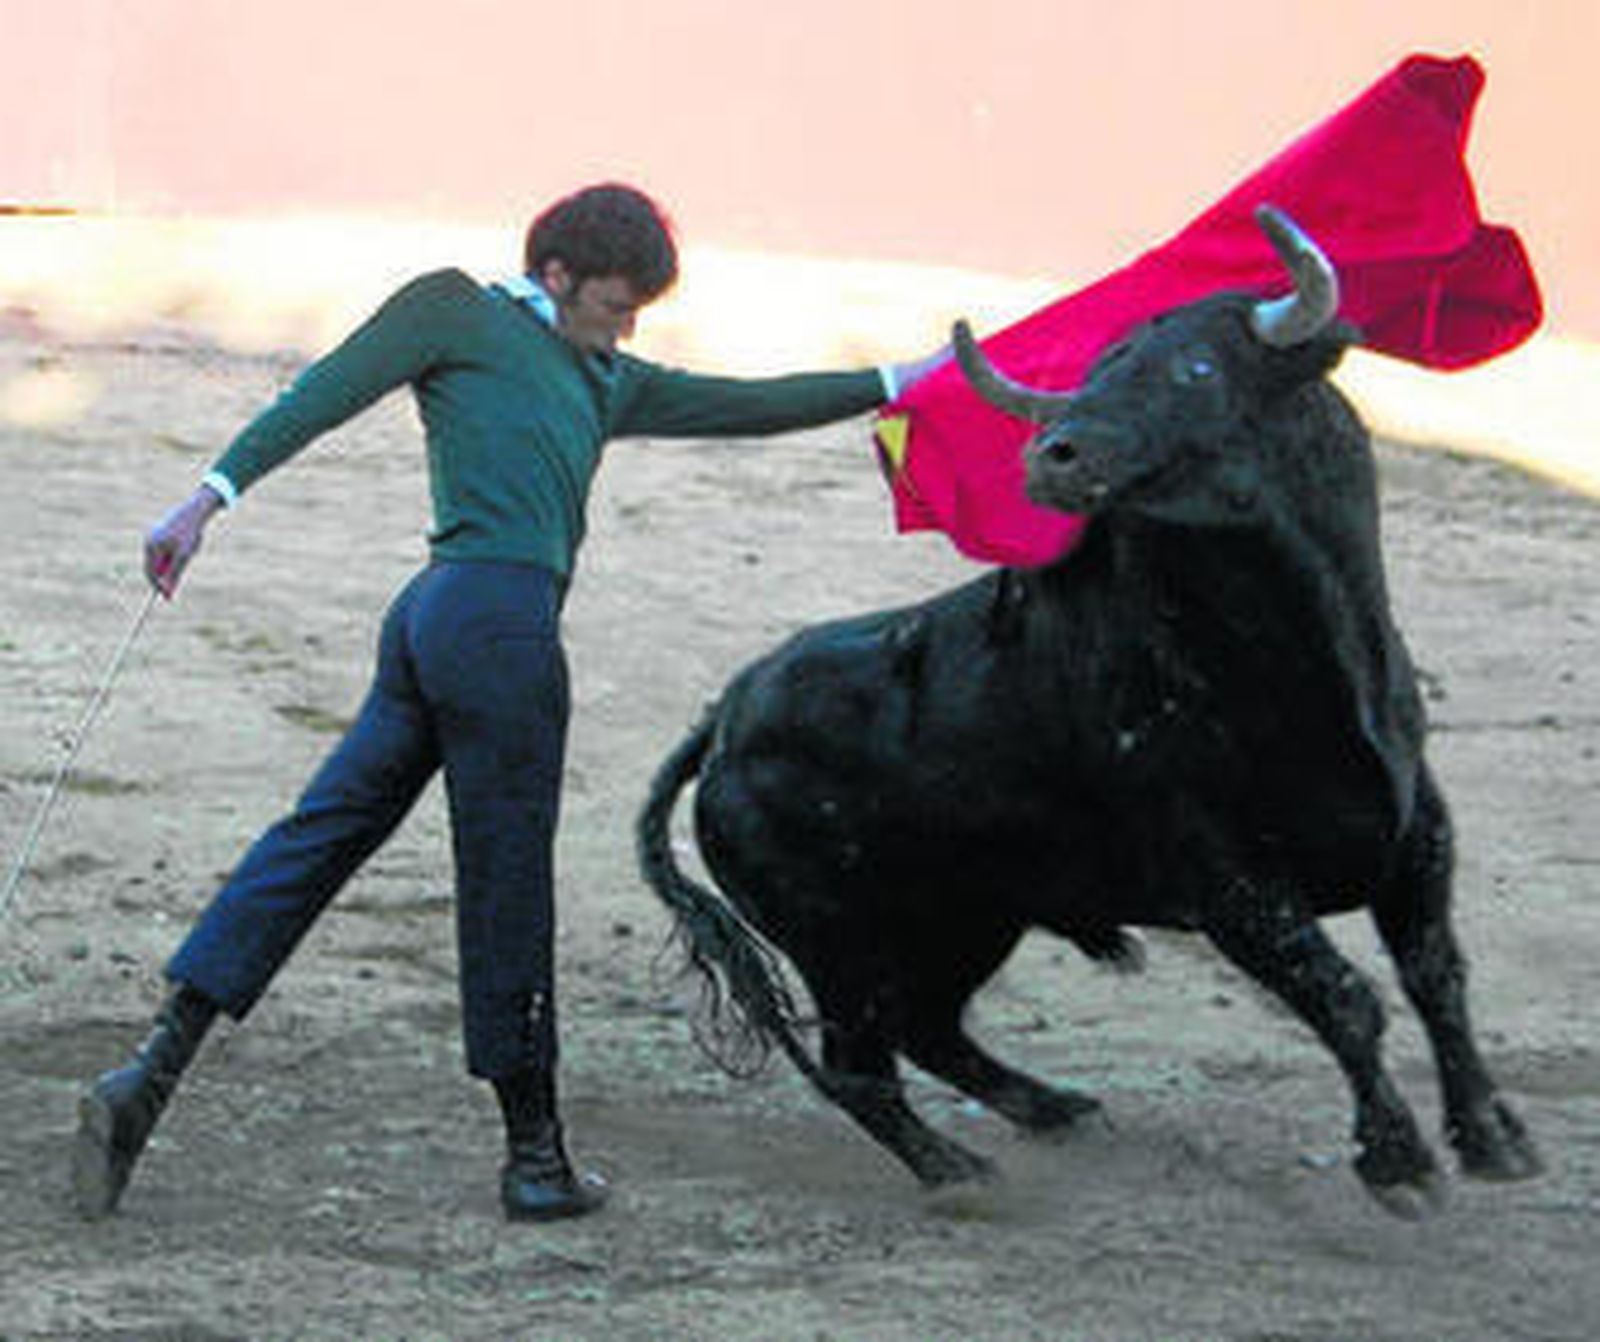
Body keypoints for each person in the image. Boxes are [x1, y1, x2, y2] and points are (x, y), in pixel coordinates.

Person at [71, 183, 948, 1223]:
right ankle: (536, 1159)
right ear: (557, 275)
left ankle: (148, 1075)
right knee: (507, 885)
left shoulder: (606, 376)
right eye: (614, 305)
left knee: (318, 837)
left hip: (435, 620)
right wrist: (206, 499)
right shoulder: (453, 307)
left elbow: (750, 403)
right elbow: (324, 391)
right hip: (498, 631)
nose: (625, 329)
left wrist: (900, 379)